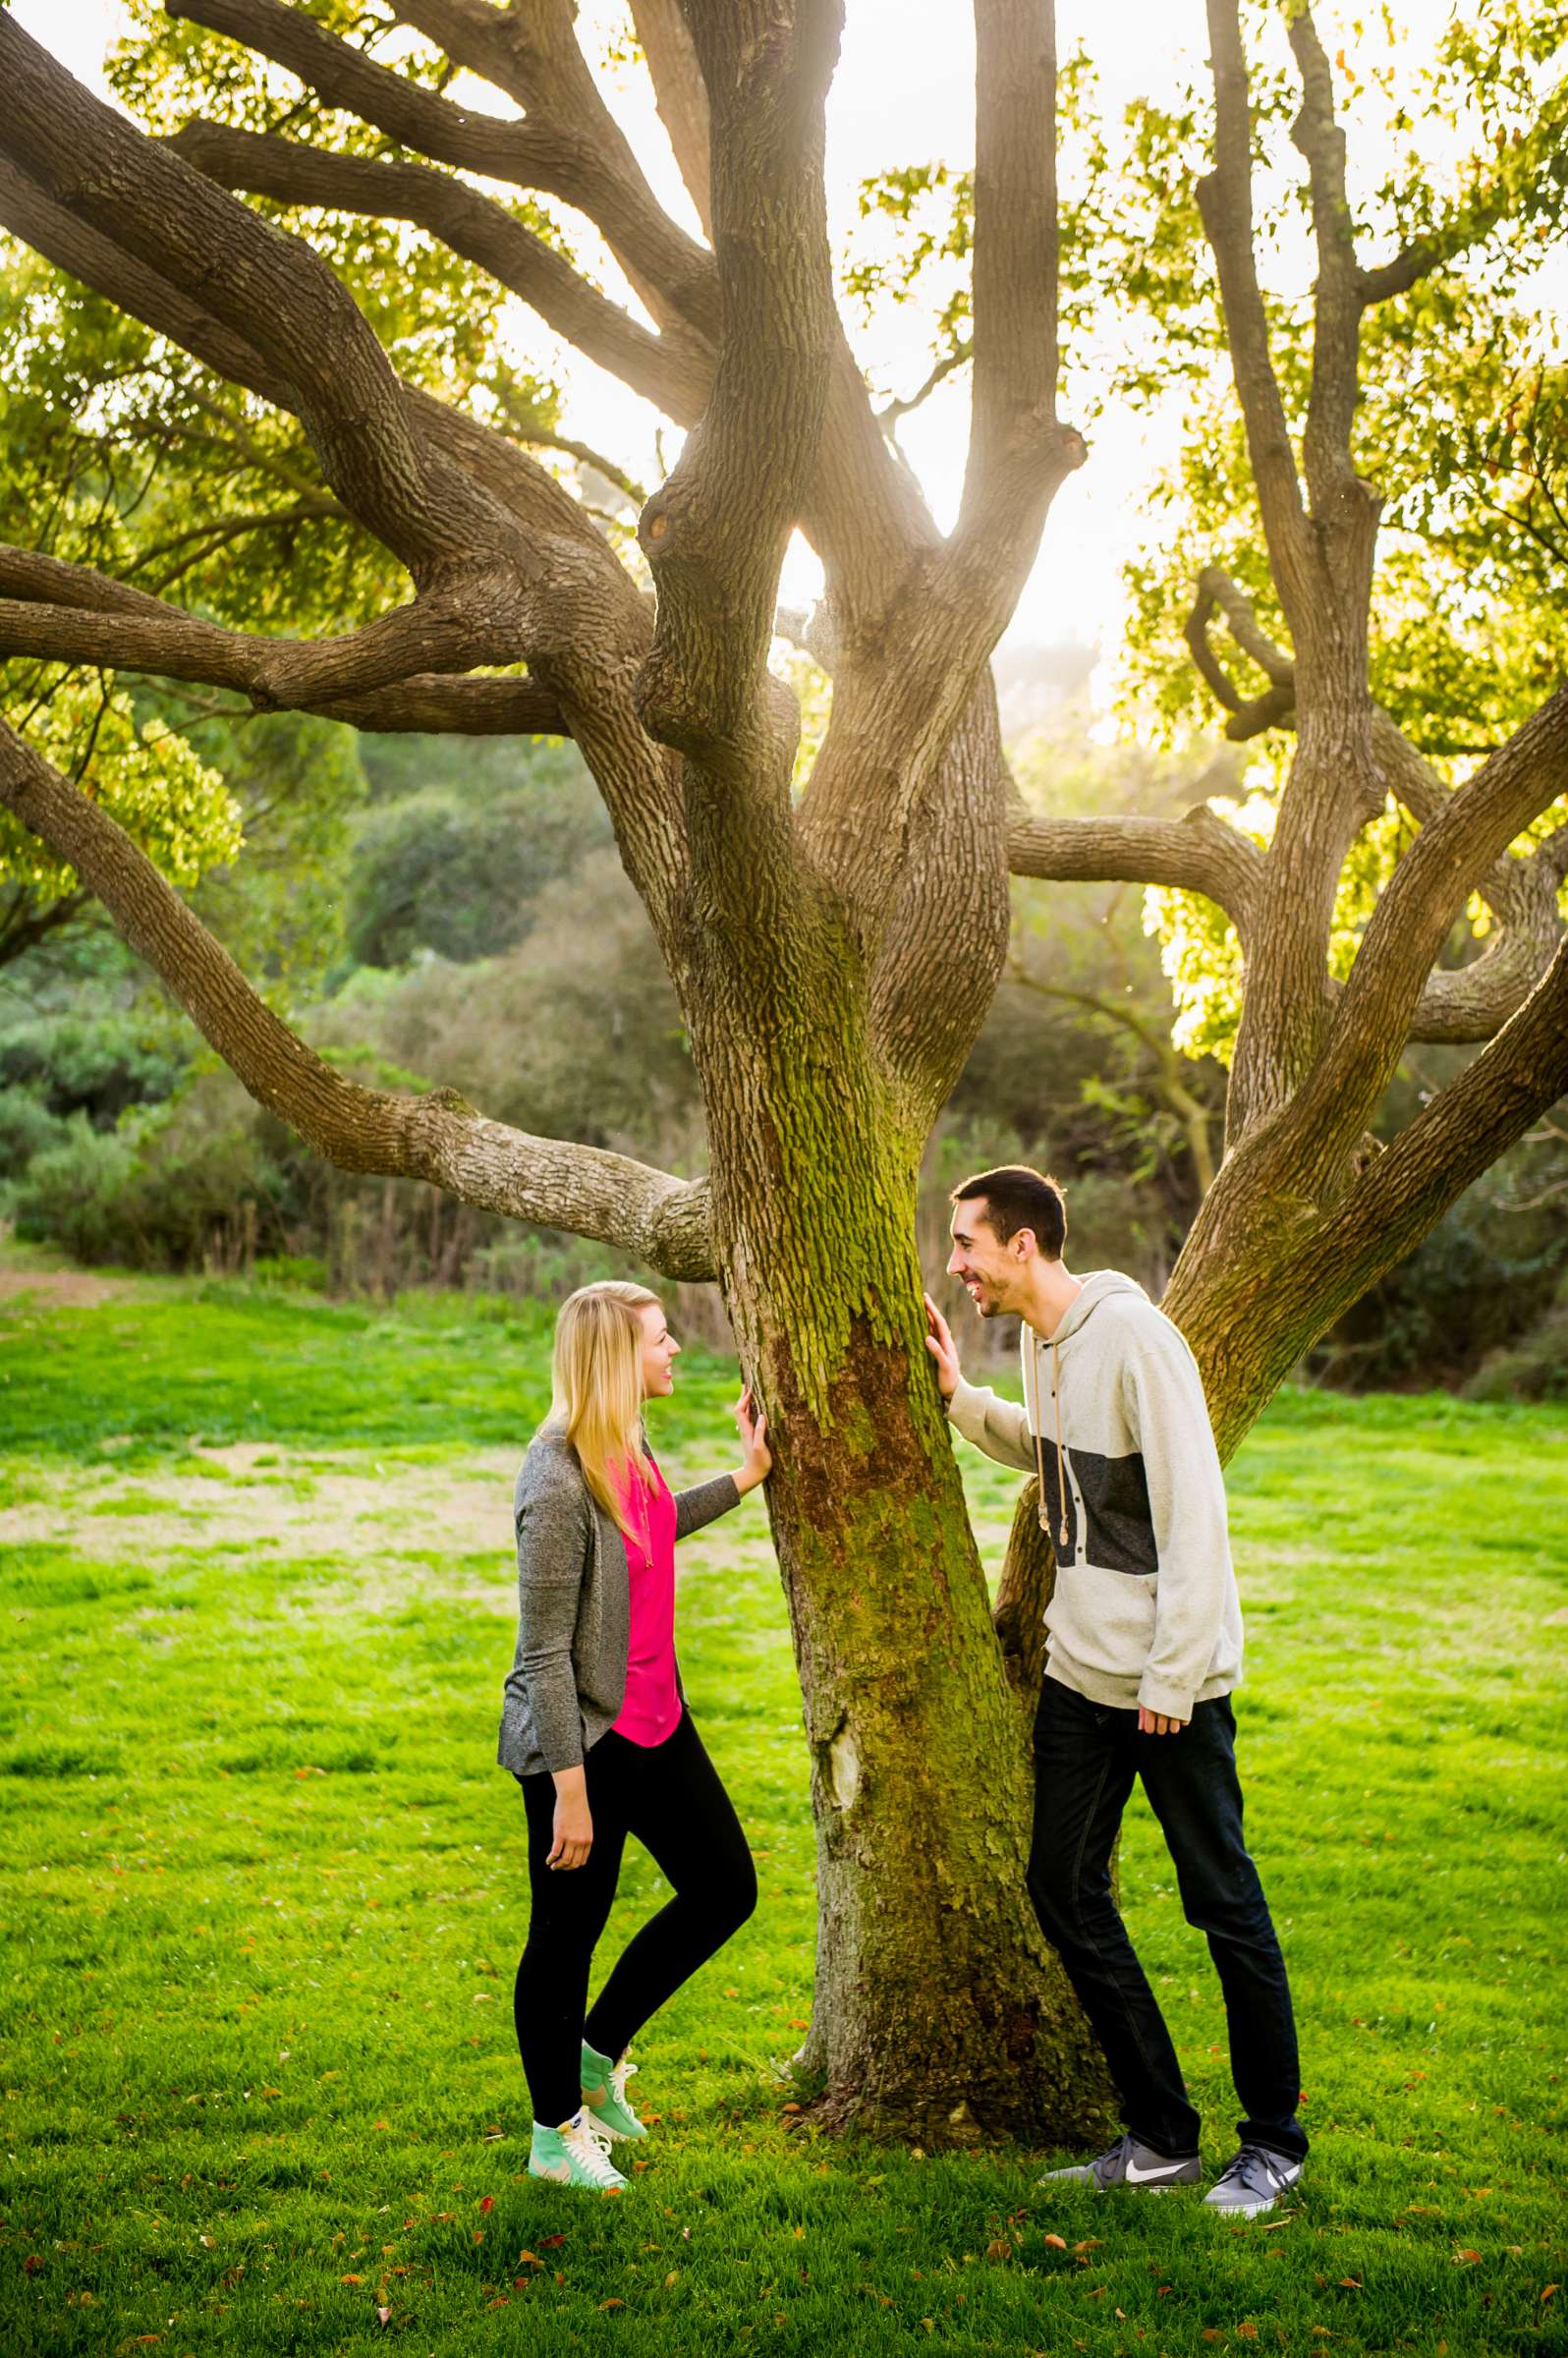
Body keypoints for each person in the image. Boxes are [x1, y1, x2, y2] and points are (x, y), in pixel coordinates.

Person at [924, 1165, 1308, 2218]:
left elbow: (1195, 1515)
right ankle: (1161, 2134)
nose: (954, 1264)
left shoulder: (1136, 1339)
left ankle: (1274, 2142)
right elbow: (1059, 1462)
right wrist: (960, 1401)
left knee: (1222, 1902)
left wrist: (1173, 1677)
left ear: (1025, 1245)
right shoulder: (1045, 1345)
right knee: (1062, 1887)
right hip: (1079, 1673)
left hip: (1167, 1684)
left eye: (966, 1244)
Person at [499, 1279, 770, 2192]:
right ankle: (553, 2137)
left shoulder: (626, 1442)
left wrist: (745, 1477)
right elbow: (540, 1652)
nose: (674, 1351)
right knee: (564, 1938)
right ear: (618, 1357)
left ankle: (594, 2053)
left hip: (658, 1719)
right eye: (660, 1340)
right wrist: (569, 1792)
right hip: (581, 1740)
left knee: (725, 1887)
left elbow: (654, 1525)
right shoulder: (555, 1476)